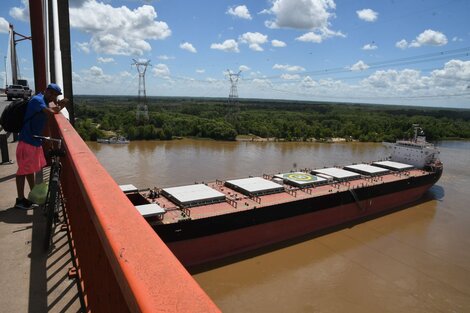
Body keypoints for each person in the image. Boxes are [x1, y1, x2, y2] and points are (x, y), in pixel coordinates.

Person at [14, 83, 69, 209]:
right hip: (27, 141)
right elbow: (49, 112)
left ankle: (31, 196)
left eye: (56, 96)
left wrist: (59, 106)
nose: (54, 98)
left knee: (28, 170)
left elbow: (50, 113)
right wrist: (60, 106)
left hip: (33, 141)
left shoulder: (43, 99)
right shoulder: (37, 100)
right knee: (22, 171)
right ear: (48, 92)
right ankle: (20, 200)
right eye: (54, 95)